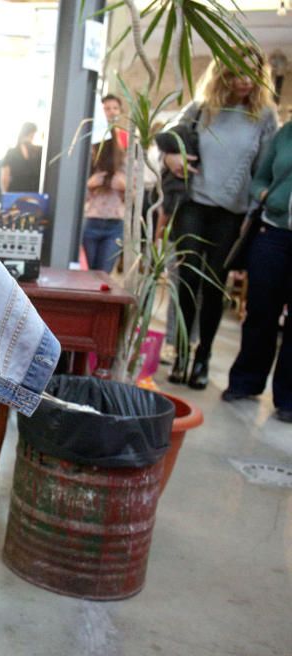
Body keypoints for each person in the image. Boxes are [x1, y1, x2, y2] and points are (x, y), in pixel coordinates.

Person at [163, 47, 278, 389]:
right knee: (187, 281)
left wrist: (255, 215)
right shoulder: (202, 108)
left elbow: (265, 170)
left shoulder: (265, 116)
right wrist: (171, 158)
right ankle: (182, 353)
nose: (244, 80)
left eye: (251, 74)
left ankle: (203, 358)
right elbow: (167, 139)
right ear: (223, 73)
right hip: (194, 205)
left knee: (214, 286)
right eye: (237, 72)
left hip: (232, 213)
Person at [223, 120, 292, 423]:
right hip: (273, 233)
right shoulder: (286, 133)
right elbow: (259, 178)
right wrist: (265, 195)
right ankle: (245, 382)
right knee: (260, 311)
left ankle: (288, 399)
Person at [81, 138, 127, 273]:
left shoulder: (124, 166)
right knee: (87, 273)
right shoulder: (89, 166)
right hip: (91, 222)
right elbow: (77, 200)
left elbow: (136, 197)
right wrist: (89, 185)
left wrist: (125, 188)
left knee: (104, 275)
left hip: (115, 224)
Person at [0, 122, 43, 194]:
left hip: (15, 195)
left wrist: (5, 195)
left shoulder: (11, 153)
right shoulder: (40, 151)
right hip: (35, 195)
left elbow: (5, 178)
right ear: (32, 134)